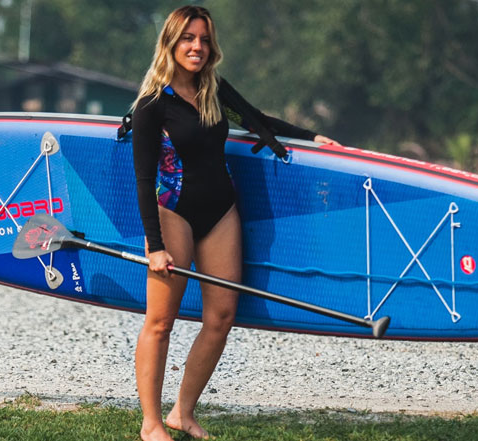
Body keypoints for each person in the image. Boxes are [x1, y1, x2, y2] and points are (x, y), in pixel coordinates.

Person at [130, 5, 340, 440]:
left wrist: (310, 137)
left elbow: (256, 120)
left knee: (222, 317)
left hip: (221, 210)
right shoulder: (152, 104)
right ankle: (151, 423)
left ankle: (182, 413)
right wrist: (155, 246)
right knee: (161, 322)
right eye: (189, 38)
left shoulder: (213, 89)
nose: (198, 47)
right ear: (171, 43)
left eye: (205, 40)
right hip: (173, 211)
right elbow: (144, 179)